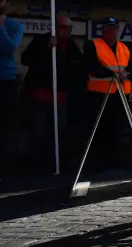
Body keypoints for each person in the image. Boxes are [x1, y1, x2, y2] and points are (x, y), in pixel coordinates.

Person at [20, 13, 84, 172]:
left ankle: (55, 163)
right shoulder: (41, 41)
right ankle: (35, 165)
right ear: (56, 28)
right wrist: (46, 48)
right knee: (38, 130)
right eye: (64, 27)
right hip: (40, 95)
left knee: (60, 130)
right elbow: (25, 59)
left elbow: (79, 64)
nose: (67, 31)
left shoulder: (71, 45)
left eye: (70, 28)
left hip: (60, 96)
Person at [83, 17, 132, 170]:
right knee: (99, 131)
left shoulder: (125, 48)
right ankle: (98, 164)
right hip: (100, 95)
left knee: (118, 130)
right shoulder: (93, 45)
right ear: (102, 30)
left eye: (114, 28)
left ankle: (116, 162)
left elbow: (131, 69)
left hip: (120, 95)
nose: (111, 31)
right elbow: (92, 66)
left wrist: (128, 75)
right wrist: (116, 75)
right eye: (108, 28)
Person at [0, 0, 23, 176]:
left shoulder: (14, 26)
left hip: (6, 80)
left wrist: (0, 28)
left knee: (5, 125)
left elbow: (9, 49)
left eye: (0, 0)